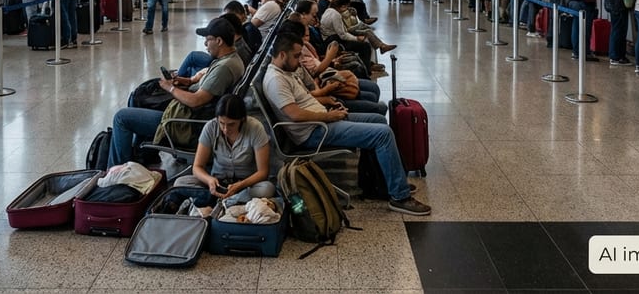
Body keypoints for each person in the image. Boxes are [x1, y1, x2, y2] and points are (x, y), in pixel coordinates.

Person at [261, 34, 430, 216]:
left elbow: (304, 100)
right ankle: (400, 196)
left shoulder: (286, 72)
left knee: (378, 120)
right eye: (295, 56)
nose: (298, 59)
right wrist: (330, 116)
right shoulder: (275, 80)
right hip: (315, 132)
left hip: (321, 120)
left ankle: (376, 185)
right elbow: (294, 114)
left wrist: (328, 102)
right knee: (383, 134)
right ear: (282, 55)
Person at [108, 17, 244, 166]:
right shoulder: (231, 59)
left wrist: (170, 88)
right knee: (139, 99)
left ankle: (116, 173)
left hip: (185, 124)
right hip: (191, 116)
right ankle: (142, 157)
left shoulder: (224, 68)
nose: (205, 44)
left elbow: (195, 101)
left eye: (208, 39)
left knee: (121, 117)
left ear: (219, 41)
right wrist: (185, 82)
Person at [171, 93, 276, 204]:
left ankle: (219, 200)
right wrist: (209, 180)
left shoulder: (255, 128)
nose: (225, 129)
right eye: (221, 123)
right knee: (180, 182)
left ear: (242, 119)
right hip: (218, 182)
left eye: (231, 124)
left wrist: (240, 185)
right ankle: (231, 199)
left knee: (267, 188)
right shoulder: (210, 127)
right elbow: (197, 167)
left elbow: (263, 172)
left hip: (246, 184)